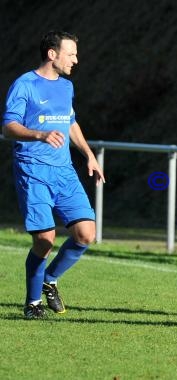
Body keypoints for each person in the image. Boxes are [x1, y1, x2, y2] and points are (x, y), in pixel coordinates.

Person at [2, 31, 105, 319]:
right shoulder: (25, 85)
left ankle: (50, 279)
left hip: (64, 171)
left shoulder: (66, 87)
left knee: (86, 233)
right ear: (52, 54)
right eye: (71, 53)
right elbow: (8, 127)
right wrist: (39, 134)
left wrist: (88, 155)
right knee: (44, 240)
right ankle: (32, 304)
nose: (76, 59)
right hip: (32, 169)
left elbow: (70, 122)